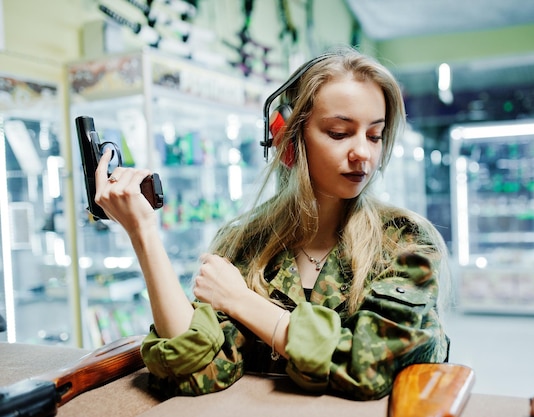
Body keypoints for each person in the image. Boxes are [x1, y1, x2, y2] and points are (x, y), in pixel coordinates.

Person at [94, 46, 450, 401]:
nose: (364, 153)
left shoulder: (404, 243)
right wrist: (143, 233)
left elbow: (369, 368)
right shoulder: (247, 244)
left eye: (374, 135)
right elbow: (194, 368)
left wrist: (241, 301)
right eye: (340, 133)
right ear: (288, 141)